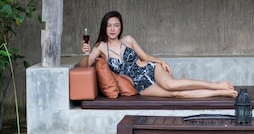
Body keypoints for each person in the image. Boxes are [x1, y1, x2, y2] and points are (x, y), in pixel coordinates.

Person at [81, 11, 237, 98]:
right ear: (104, 28)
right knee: (176, 95)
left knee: (172, 85)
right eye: (109, 26)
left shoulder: (128, 40)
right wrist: (87, 53)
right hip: (140, 84)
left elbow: (146, 57)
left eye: (116, 25)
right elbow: (85, 67)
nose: (113, 29)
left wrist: (161, 62)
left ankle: (216, 85)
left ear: (121, 27)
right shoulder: (100, 47)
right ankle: (222, 92)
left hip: (149, 69)